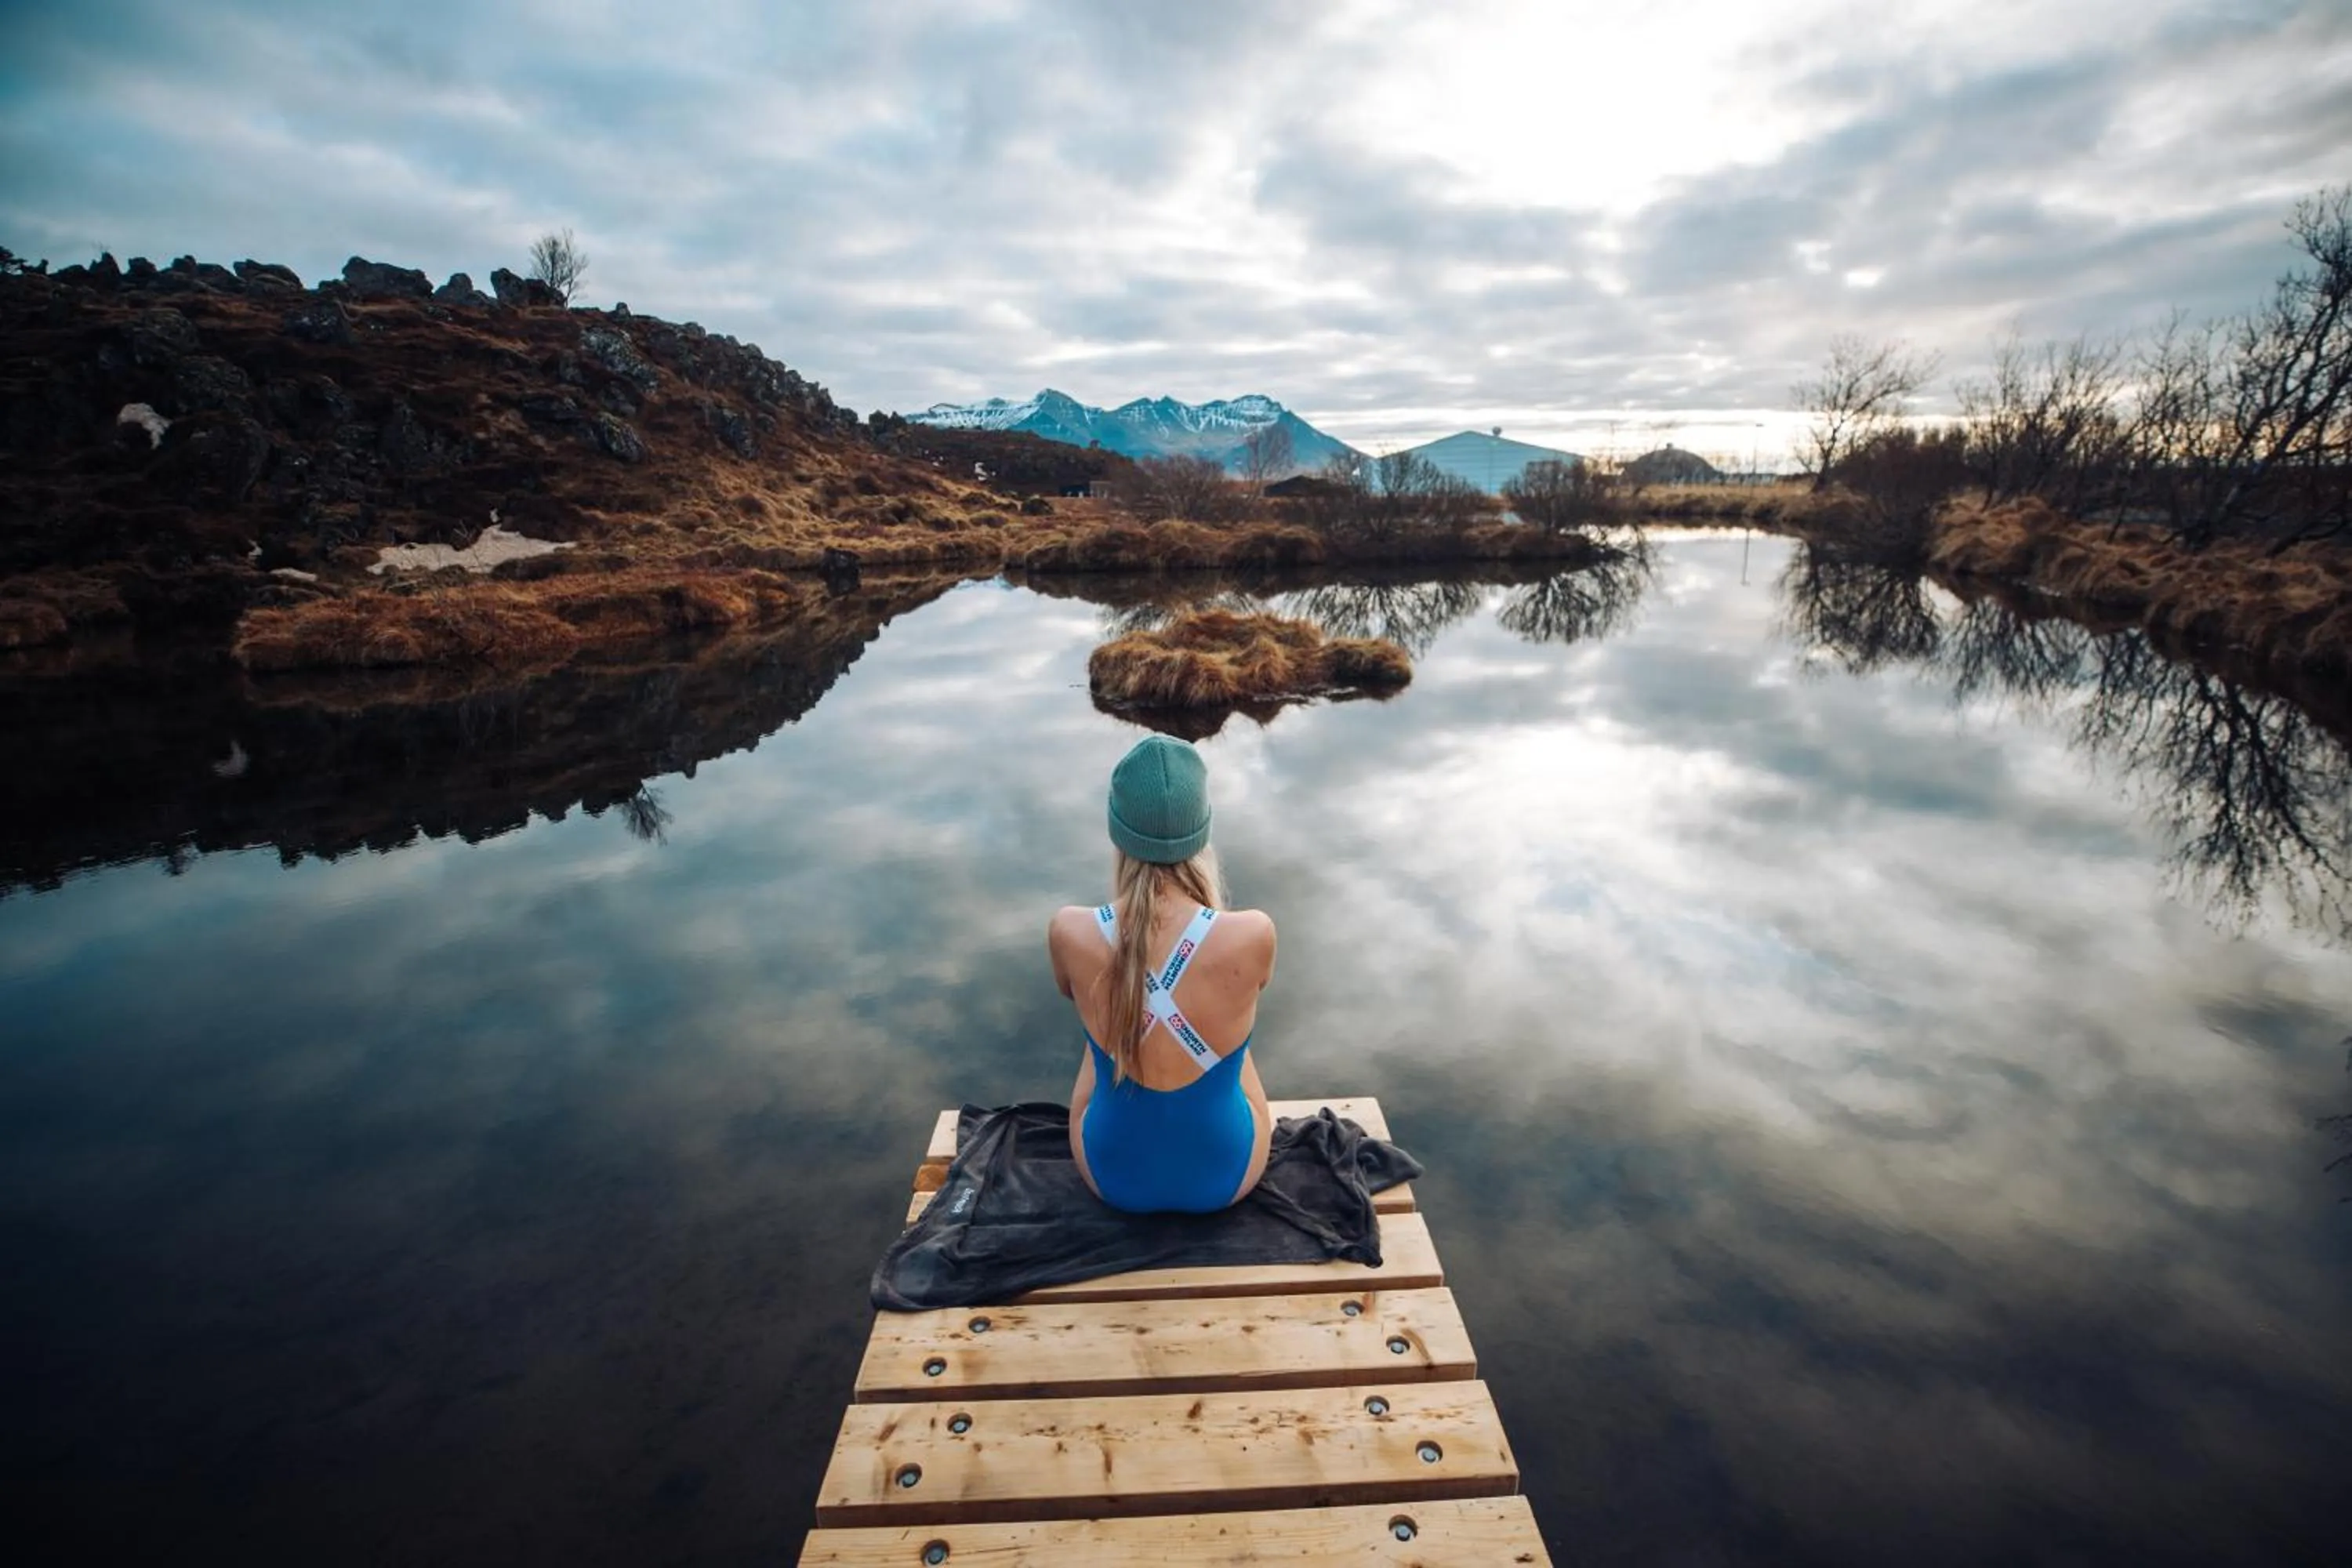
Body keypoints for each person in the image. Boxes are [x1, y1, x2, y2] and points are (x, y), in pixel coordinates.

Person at [1047, 734, 1277, 1213]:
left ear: (1117, 833)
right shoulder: (1253, 933)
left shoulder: (1069, 930)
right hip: (1228, 1176)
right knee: (1236, 1034)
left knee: (1100, 1037)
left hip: (1111, 1178)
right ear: (1203, 831)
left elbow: (1073, 995)